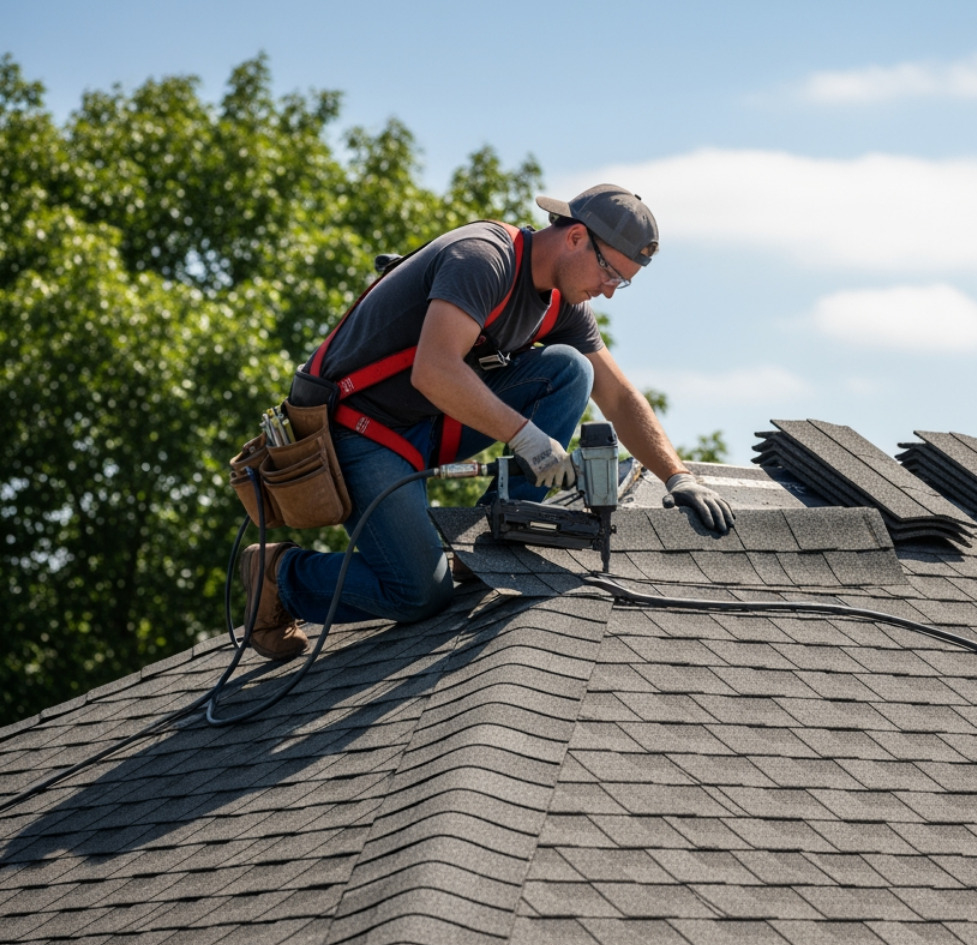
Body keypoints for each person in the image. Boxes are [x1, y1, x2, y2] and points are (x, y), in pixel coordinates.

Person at [241, 184, 734, 660]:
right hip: (361, 430)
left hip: (434, 420)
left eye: (621, 283)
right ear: (576, 236)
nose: (608, 292)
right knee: (418, 594)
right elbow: (434, 369)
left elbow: (619, 397)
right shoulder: (483, 258)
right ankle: (280, 575)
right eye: (610, 273)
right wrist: (529, 441)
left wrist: (679, 476)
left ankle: (494, 538)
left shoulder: (565, 302)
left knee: (571, 370)